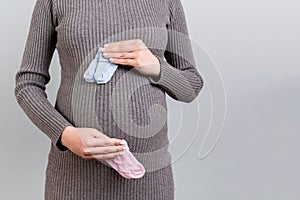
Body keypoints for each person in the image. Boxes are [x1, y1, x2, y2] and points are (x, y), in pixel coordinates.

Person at [14, 0, 204, 199]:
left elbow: (191, 87)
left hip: (148, 183)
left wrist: (156, 66)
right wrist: (65, 134)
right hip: (73, 180)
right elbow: (27, 84)